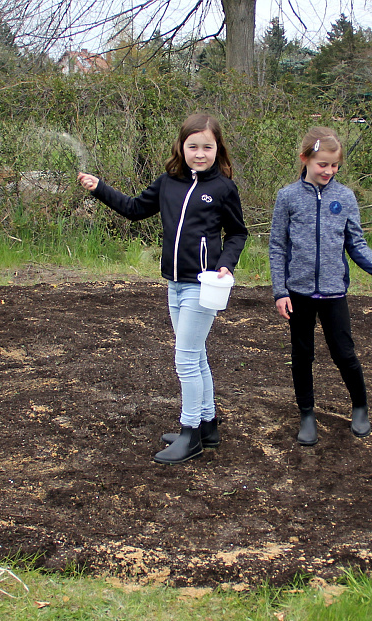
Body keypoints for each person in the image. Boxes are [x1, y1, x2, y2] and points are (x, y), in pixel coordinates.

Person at [77, 114, 247, 465]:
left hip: (203, 285)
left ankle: (190, 435)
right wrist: (99, 188)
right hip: (174, 283)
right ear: (181, 147)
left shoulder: (223, 188)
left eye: (207, 147)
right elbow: (134, 209)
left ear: (219, 149)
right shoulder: (168, 183)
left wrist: (226, 263)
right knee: (195, 355)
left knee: (185, 359)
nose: (200, 154)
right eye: (193, 146)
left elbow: (238, 233)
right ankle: (208, 426)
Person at [269, 126, 372, 446]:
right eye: (322, 164)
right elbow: (277, 248)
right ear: (305, 159)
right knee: (301, 355)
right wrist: (280, 291)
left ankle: (360, 406)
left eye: (334, 165)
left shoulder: (345, 197)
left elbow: (357, 246)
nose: (328, 171)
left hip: (334, 292)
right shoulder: (288, 197)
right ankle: (307, 414)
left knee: (344, 354)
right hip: (298, 293)